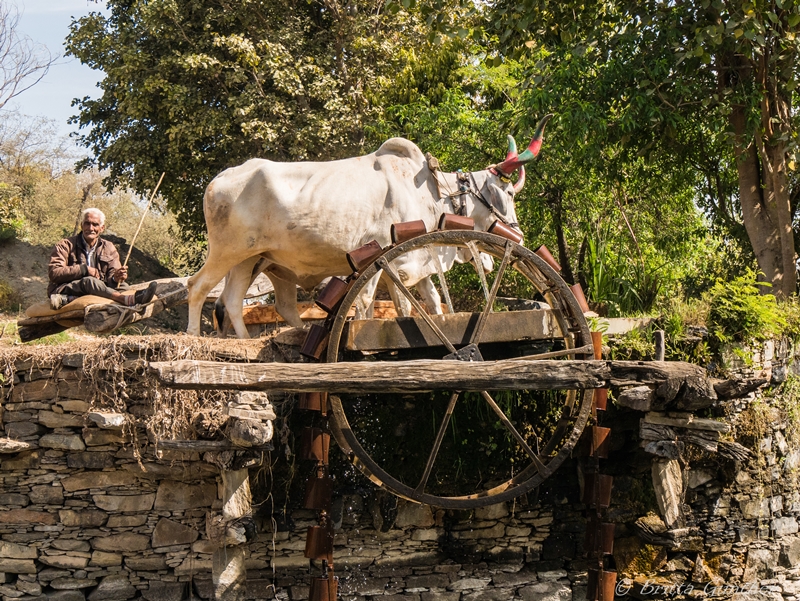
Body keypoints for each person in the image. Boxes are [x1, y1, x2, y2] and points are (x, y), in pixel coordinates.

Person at [47, 208, 157, 310]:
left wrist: (116, 278)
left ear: (102, 228)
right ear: (82, 225)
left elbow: (112, 276)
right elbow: (54, 273)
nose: (91, 228)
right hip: (67, 288)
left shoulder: (108, 247)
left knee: (124, 287)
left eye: (95, 224)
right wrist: (84, 270)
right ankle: (126, 300)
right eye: (87, 223)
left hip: (99, 288)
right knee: (89, 281)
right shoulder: (65, 245)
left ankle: (137, 306)